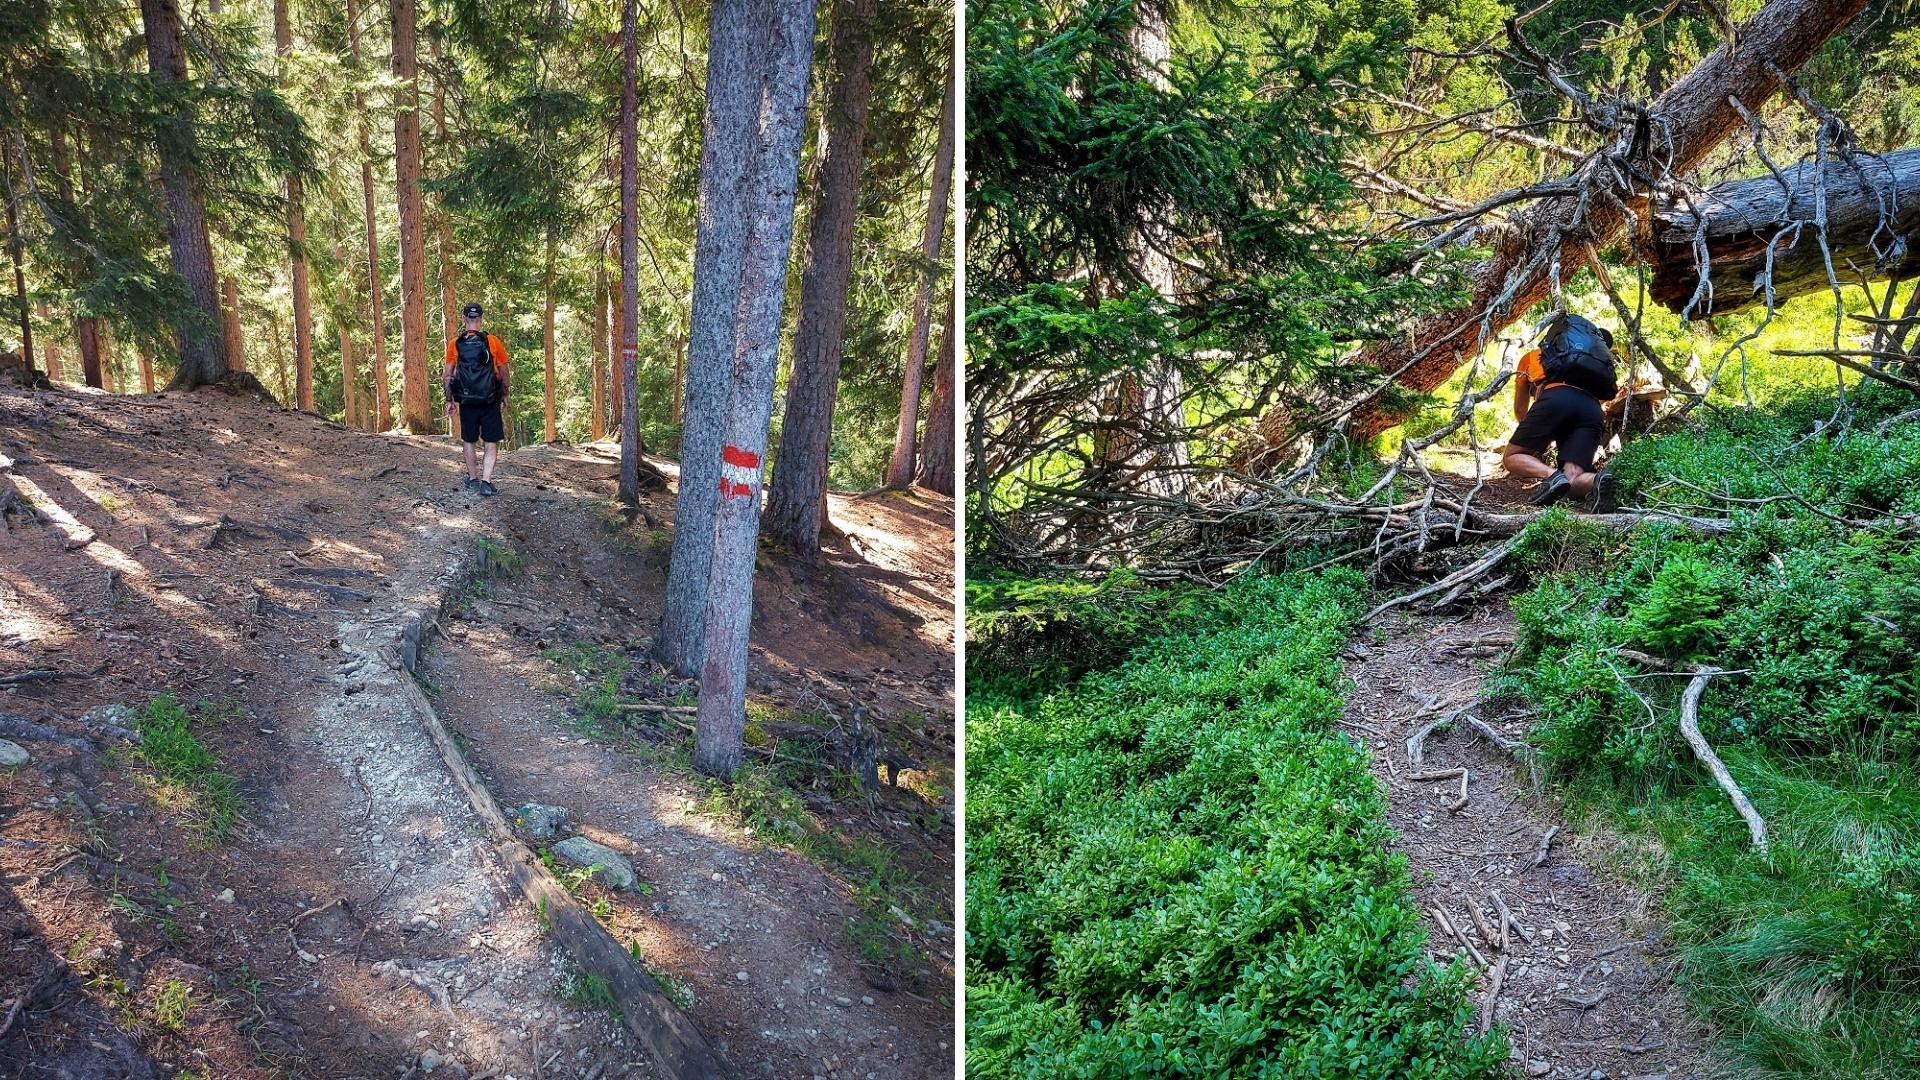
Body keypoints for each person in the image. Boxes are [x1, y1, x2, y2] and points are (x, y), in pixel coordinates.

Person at [1504, 312, 1620, 511]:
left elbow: (1520, 410)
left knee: (1512, 457)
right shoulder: (1596, 368)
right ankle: (1597, 482)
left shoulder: (1533, 357)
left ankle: (1552, 477)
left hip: (1555, 398)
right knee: (1572, 477)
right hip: (1592, 409)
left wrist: (1536, 440)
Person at [444, 302, 510, 496]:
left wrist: (450, 400)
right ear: (480, 320)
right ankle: (486, 482)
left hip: (466, 400)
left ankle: (473, 479)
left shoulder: (455, 343)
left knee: (469, 440)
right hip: (490, 399)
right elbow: (504, 371)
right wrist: (504, 395)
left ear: (464, 320)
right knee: (490, 441)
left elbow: (448, 375)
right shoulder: (493, 342)